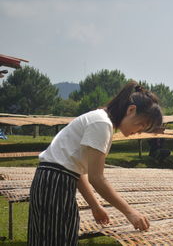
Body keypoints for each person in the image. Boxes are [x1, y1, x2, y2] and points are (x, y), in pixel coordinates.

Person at [27, 81, 163, 246]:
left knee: (46, 239)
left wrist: (95, 206)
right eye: (141, 124)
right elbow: (97, 178)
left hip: (52, 180)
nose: (139, 130)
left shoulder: (99, 119)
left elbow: (77, 170)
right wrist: (130, 212)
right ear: (131, 110)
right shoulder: (101, 123)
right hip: (56, 183)